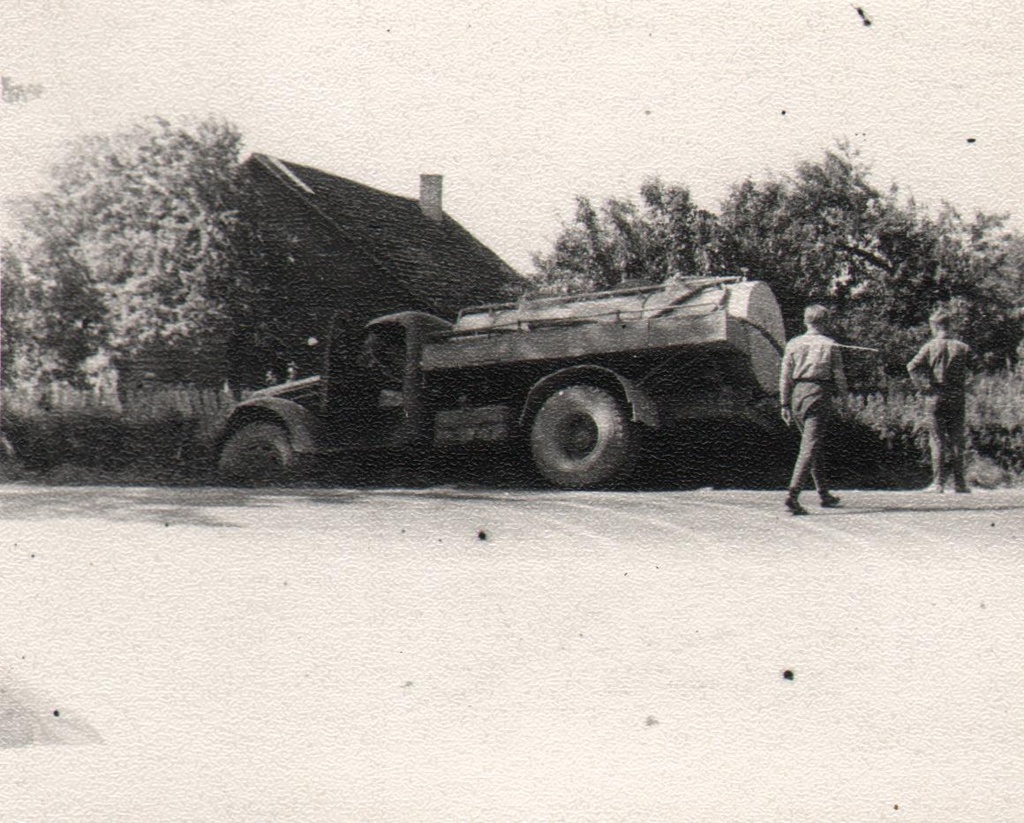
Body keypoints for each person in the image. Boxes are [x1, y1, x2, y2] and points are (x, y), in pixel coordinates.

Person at [779, 304, 848, 515]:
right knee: (809, 446)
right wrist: (844, 398)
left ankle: (824, 493)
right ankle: (793, 494)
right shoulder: (829, 344)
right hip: (818, 393)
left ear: (805, 321)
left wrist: (784, 403)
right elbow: (839, 376)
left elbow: (784, 376)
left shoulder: (793, 343)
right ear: (825, 322)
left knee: (812, 443)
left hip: (797, 394)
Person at [906, 310, 971, 493]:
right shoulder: (962, 347)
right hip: (957, 395)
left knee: (937, 440)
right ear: (949, 325)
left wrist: (922, 387)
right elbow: (978, 369)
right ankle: (960, 483)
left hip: (935, 395)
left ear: (934, 326)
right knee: (957, 440)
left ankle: (938, 483)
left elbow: (911, 367)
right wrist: (966, 385)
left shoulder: (929, 347)